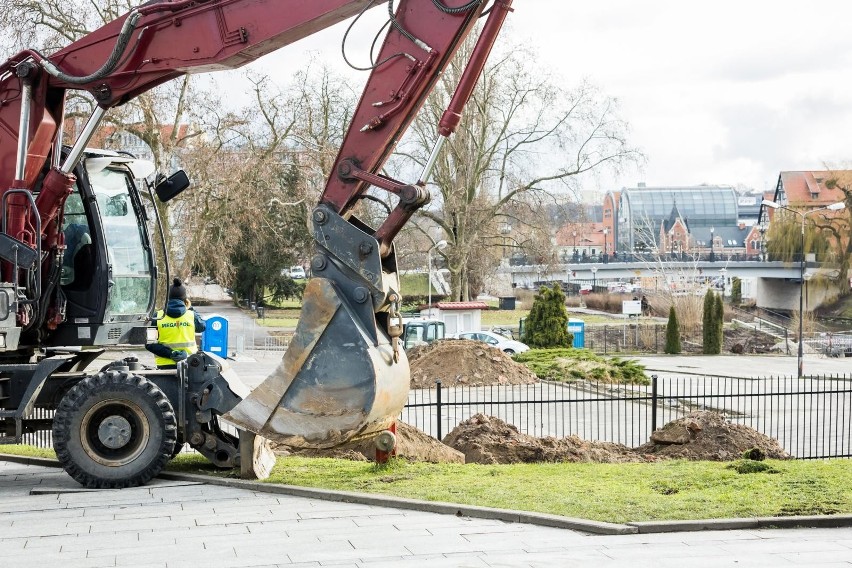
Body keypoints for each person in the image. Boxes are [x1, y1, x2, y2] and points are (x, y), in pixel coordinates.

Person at [146, 278, 205, 369]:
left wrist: (171, 354)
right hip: (190, 364)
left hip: (164, 366)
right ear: (185, 299)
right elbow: (202, 327)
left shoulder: (157, 317)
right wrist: (190, 308)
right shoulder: (191, 315)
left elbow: (149, 344)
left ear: (168, 298)